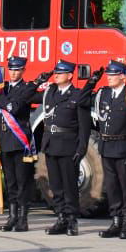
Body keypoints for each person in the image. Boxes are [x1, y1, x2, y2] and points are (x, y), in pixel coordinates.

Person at [0, 57, 48, 232]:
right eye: (11, 69)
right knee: (10, 183)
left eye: (17, 70)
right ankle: (12, 217)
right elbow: (2, 106)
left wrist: (5, 102)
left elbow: (15, 108)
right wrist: (6, 102)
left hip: (20, 142)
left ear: (23, 71)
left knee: (23, 182)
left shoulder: (27, 88)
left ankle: (23, 219)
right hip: (5, 142)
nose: (13, 73)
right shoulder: (2, 89)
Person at [88, 61, 126, 239]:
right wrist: (91, 82)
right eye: (108, 75)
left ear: (123, 76)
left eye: (113, 75)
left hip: (123, 146)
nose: (109, 77)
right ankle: (116, 221)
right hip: (106, 146)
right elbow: (82, 100)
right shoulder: (103, 93)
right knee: (111, 187)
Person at [41, 59, 91, 236]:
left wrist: (81, 149)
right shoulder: (50, 93)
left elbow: (84, 126)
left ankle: (71, 220)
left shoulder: (77, 95)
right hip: (51, 144)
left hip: (68, 145)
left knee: (69, 186)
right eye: (56, 72)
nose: (56, 75)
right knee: (56, 186)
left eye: (60, 73)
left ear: (70, 76)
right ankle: (61, 217)